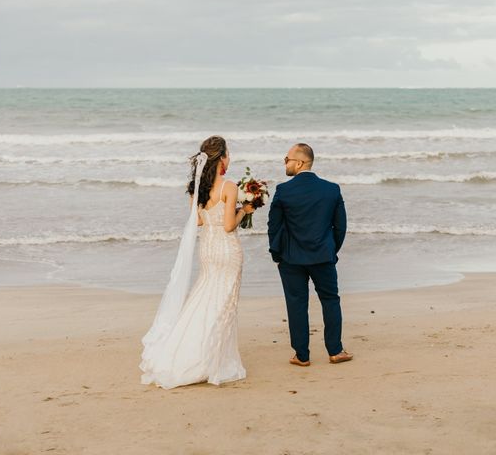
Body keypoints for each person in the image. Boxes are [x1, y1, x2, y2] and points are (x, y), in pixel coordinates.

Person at [140, 135, 255, 389]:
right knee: (223, 305)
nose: (230, 157)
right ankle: (212, 359)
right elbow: (228, 226)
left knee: (204, 299)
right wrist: (244, 211)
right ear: (222, 157)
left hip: (207, 251)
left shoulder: (196, 188)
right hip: (227, 251)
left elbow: (200, 221)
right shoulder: (229, 187)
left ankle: (187, 350)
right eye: (228, 153)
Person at [267, 143, 352, 366]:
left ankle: (302, 355)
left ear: (300, 162)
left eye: (287, 159)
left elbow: (274, 227)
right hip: (323, 256)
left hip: (291, 258)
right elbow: (340, 227)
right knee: (330, 300)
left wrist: (277, 255)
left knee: (296, 304)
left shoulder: (283, 190)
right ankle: (335, 351)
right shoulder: (331, 189)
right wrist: (331, 250)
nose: (284, 163)